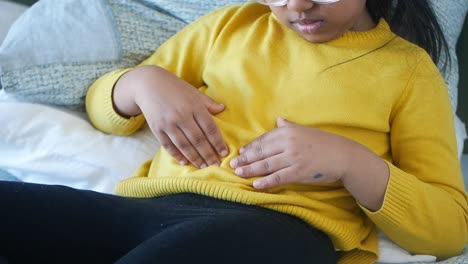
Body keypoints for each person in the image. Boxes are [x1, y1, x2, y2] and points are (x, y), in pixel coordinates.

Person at [1, 0, 467, 263]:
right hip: (147, 208)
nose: (297, 4)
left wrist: (351, 162)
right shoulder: (231, 26)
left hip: (279, 229)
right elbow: (103, 109)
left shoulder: (408, 70)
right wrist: (141, 83)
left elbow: (449, 229)